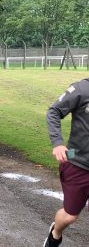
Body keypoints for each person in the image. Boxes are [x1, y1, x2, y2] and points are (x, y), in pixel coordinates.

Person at [45, 78, 89, 246]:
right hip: (77, 162)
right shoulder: (82, 89)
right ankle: (55, 233)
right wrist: (57, 143)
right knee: (71, 215)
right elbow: (53, 111)